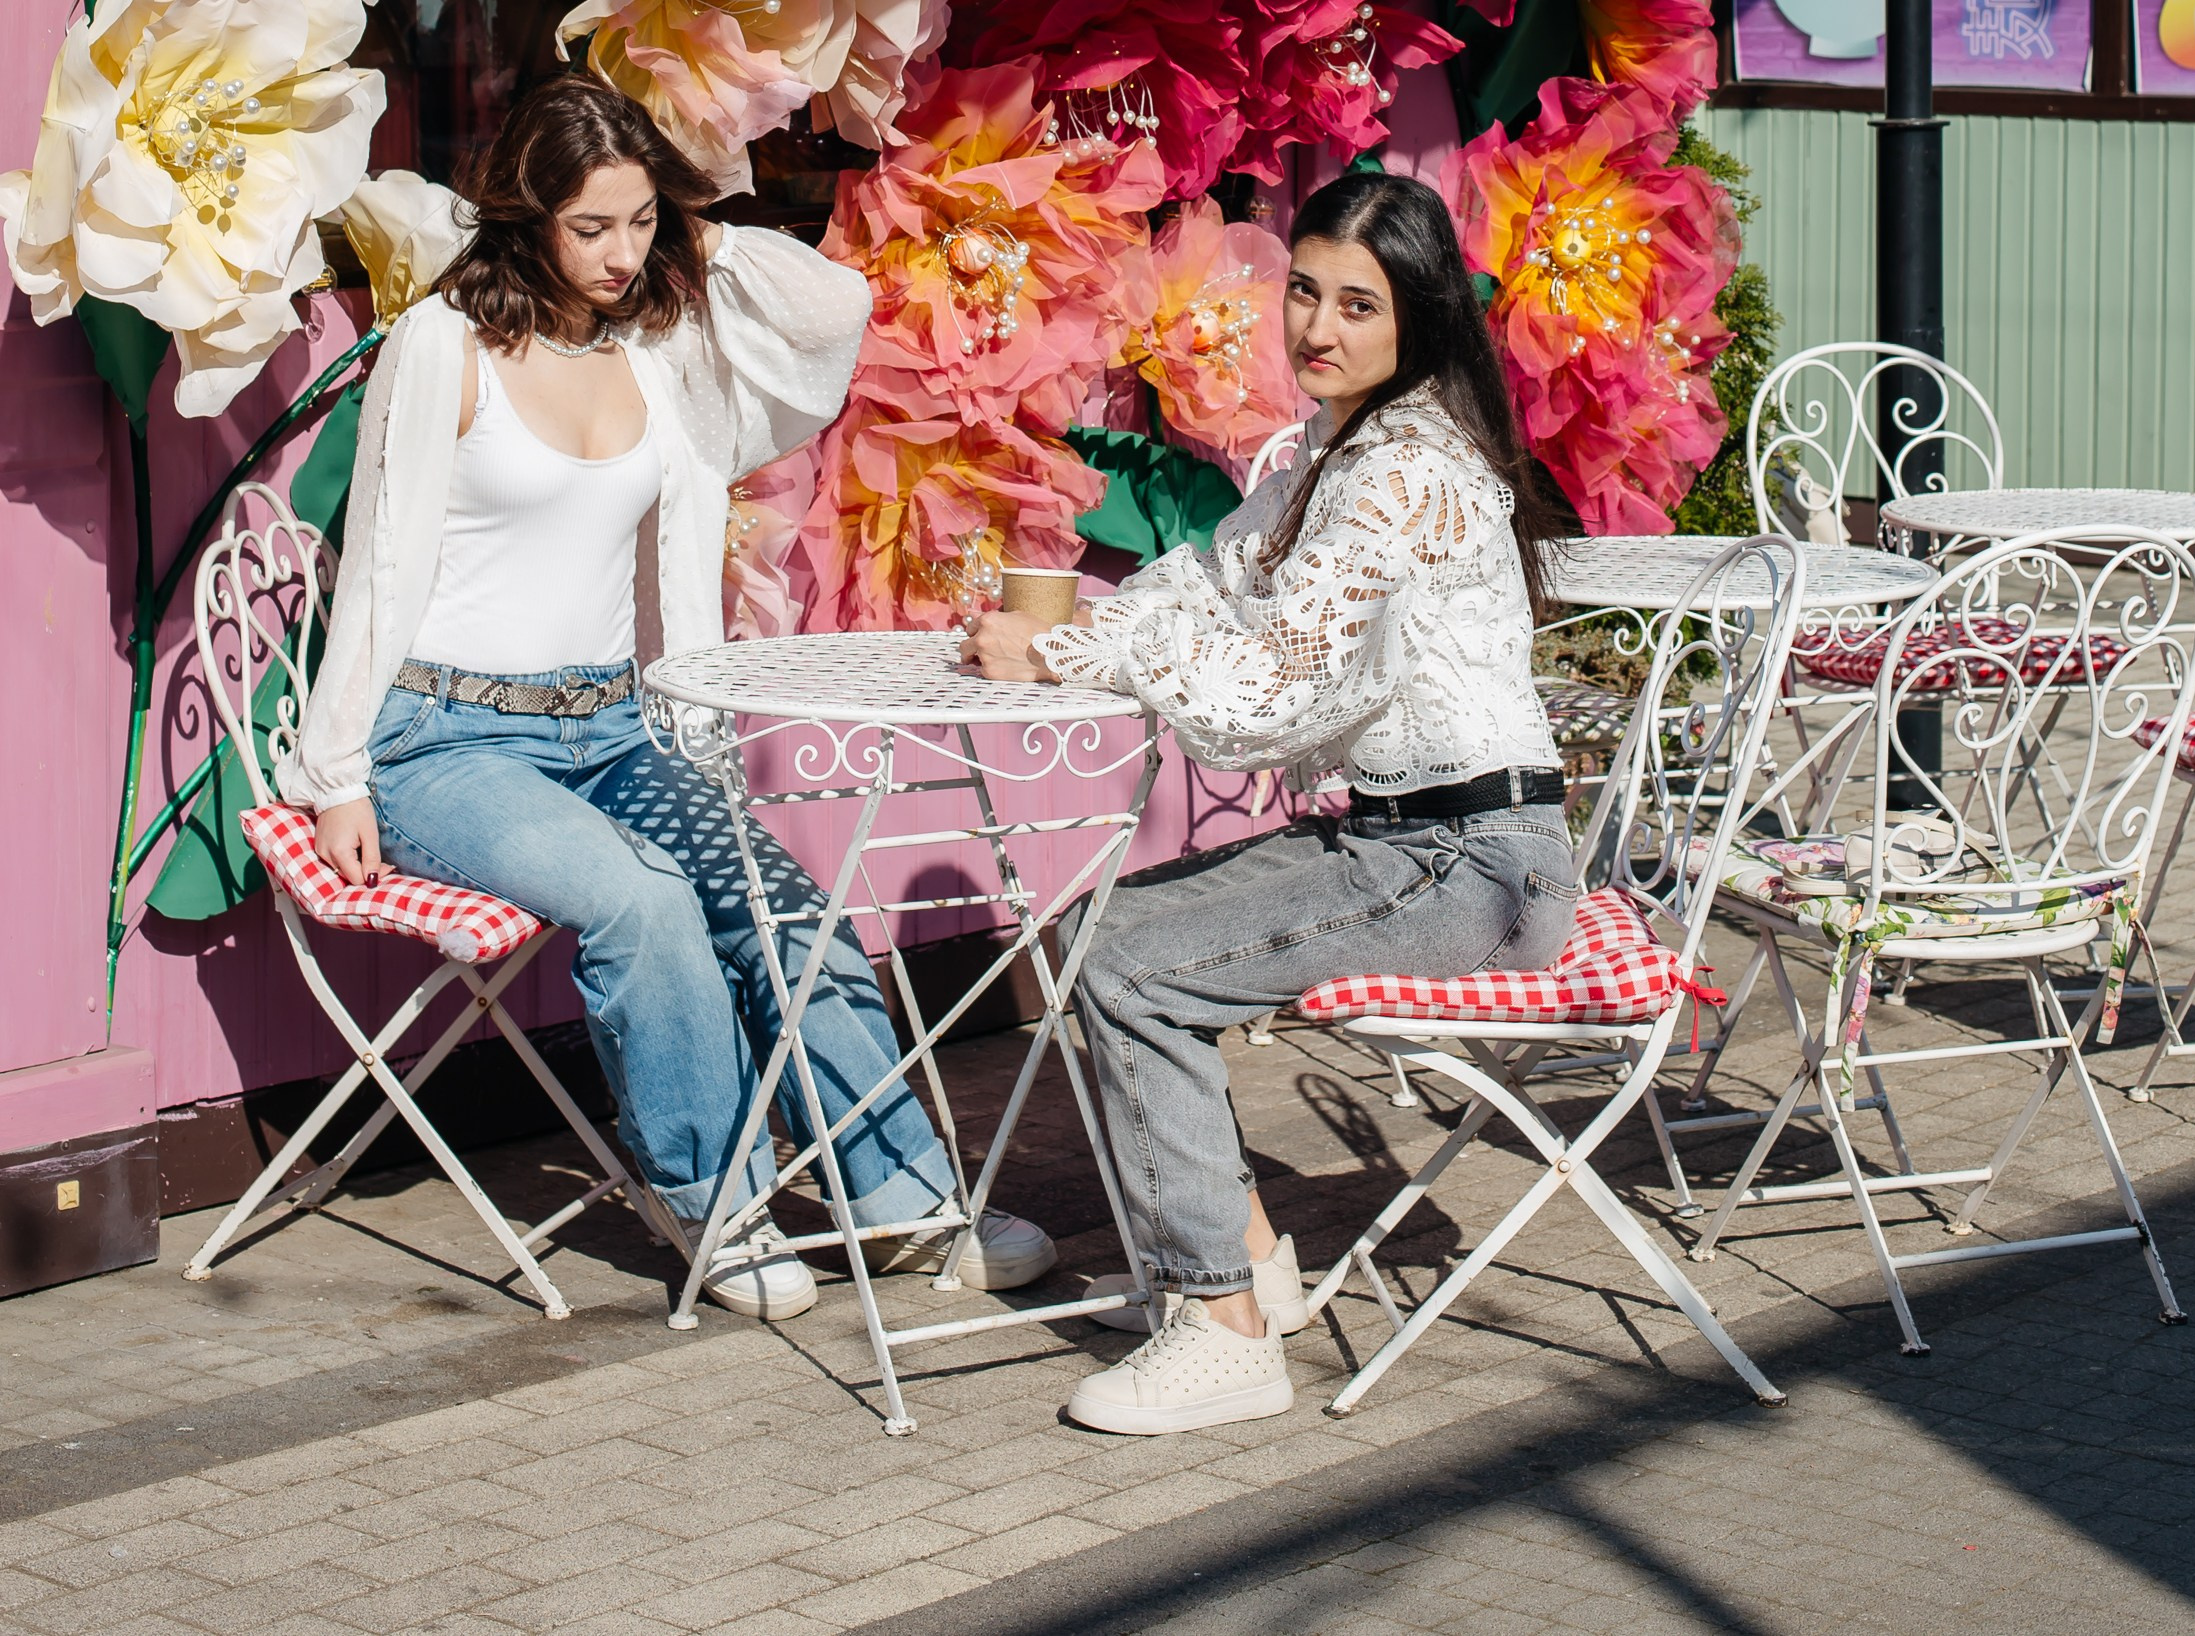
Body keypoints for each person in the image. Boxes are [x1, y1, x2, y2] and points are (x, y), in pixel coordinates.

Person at [288, 72, 1056, 1317]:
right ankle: (714, 1198)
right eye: (590, 226)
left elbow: (830, 306)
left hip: (614, 727)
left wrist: (692, 230)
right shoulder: (444, 343)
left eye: (640, 222)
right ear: (525, 214)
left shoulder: (661, 348)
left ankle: (907, 1201)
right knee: (643, 905)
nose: (619, 255)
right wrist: (335, 775)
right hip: (446, 738)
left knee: (783, 905)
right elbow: (378, 556)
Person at [959, 171, 1575, 1434]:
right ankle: (1247, 1270)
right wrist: (1071, 627)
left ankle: (1221, 1331)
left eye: (1359, 304)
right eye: (1304, 291)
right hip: (1409, 843)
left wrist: (1068, 652)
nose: (1317, 328)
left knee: (1126, 965)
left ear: (1419, 316)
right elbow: (1211, 584)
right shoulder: (1326, 452)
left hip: (1474, 865)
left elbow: (1268, 691)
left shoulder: (1400, 473)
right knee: (1106, 933)